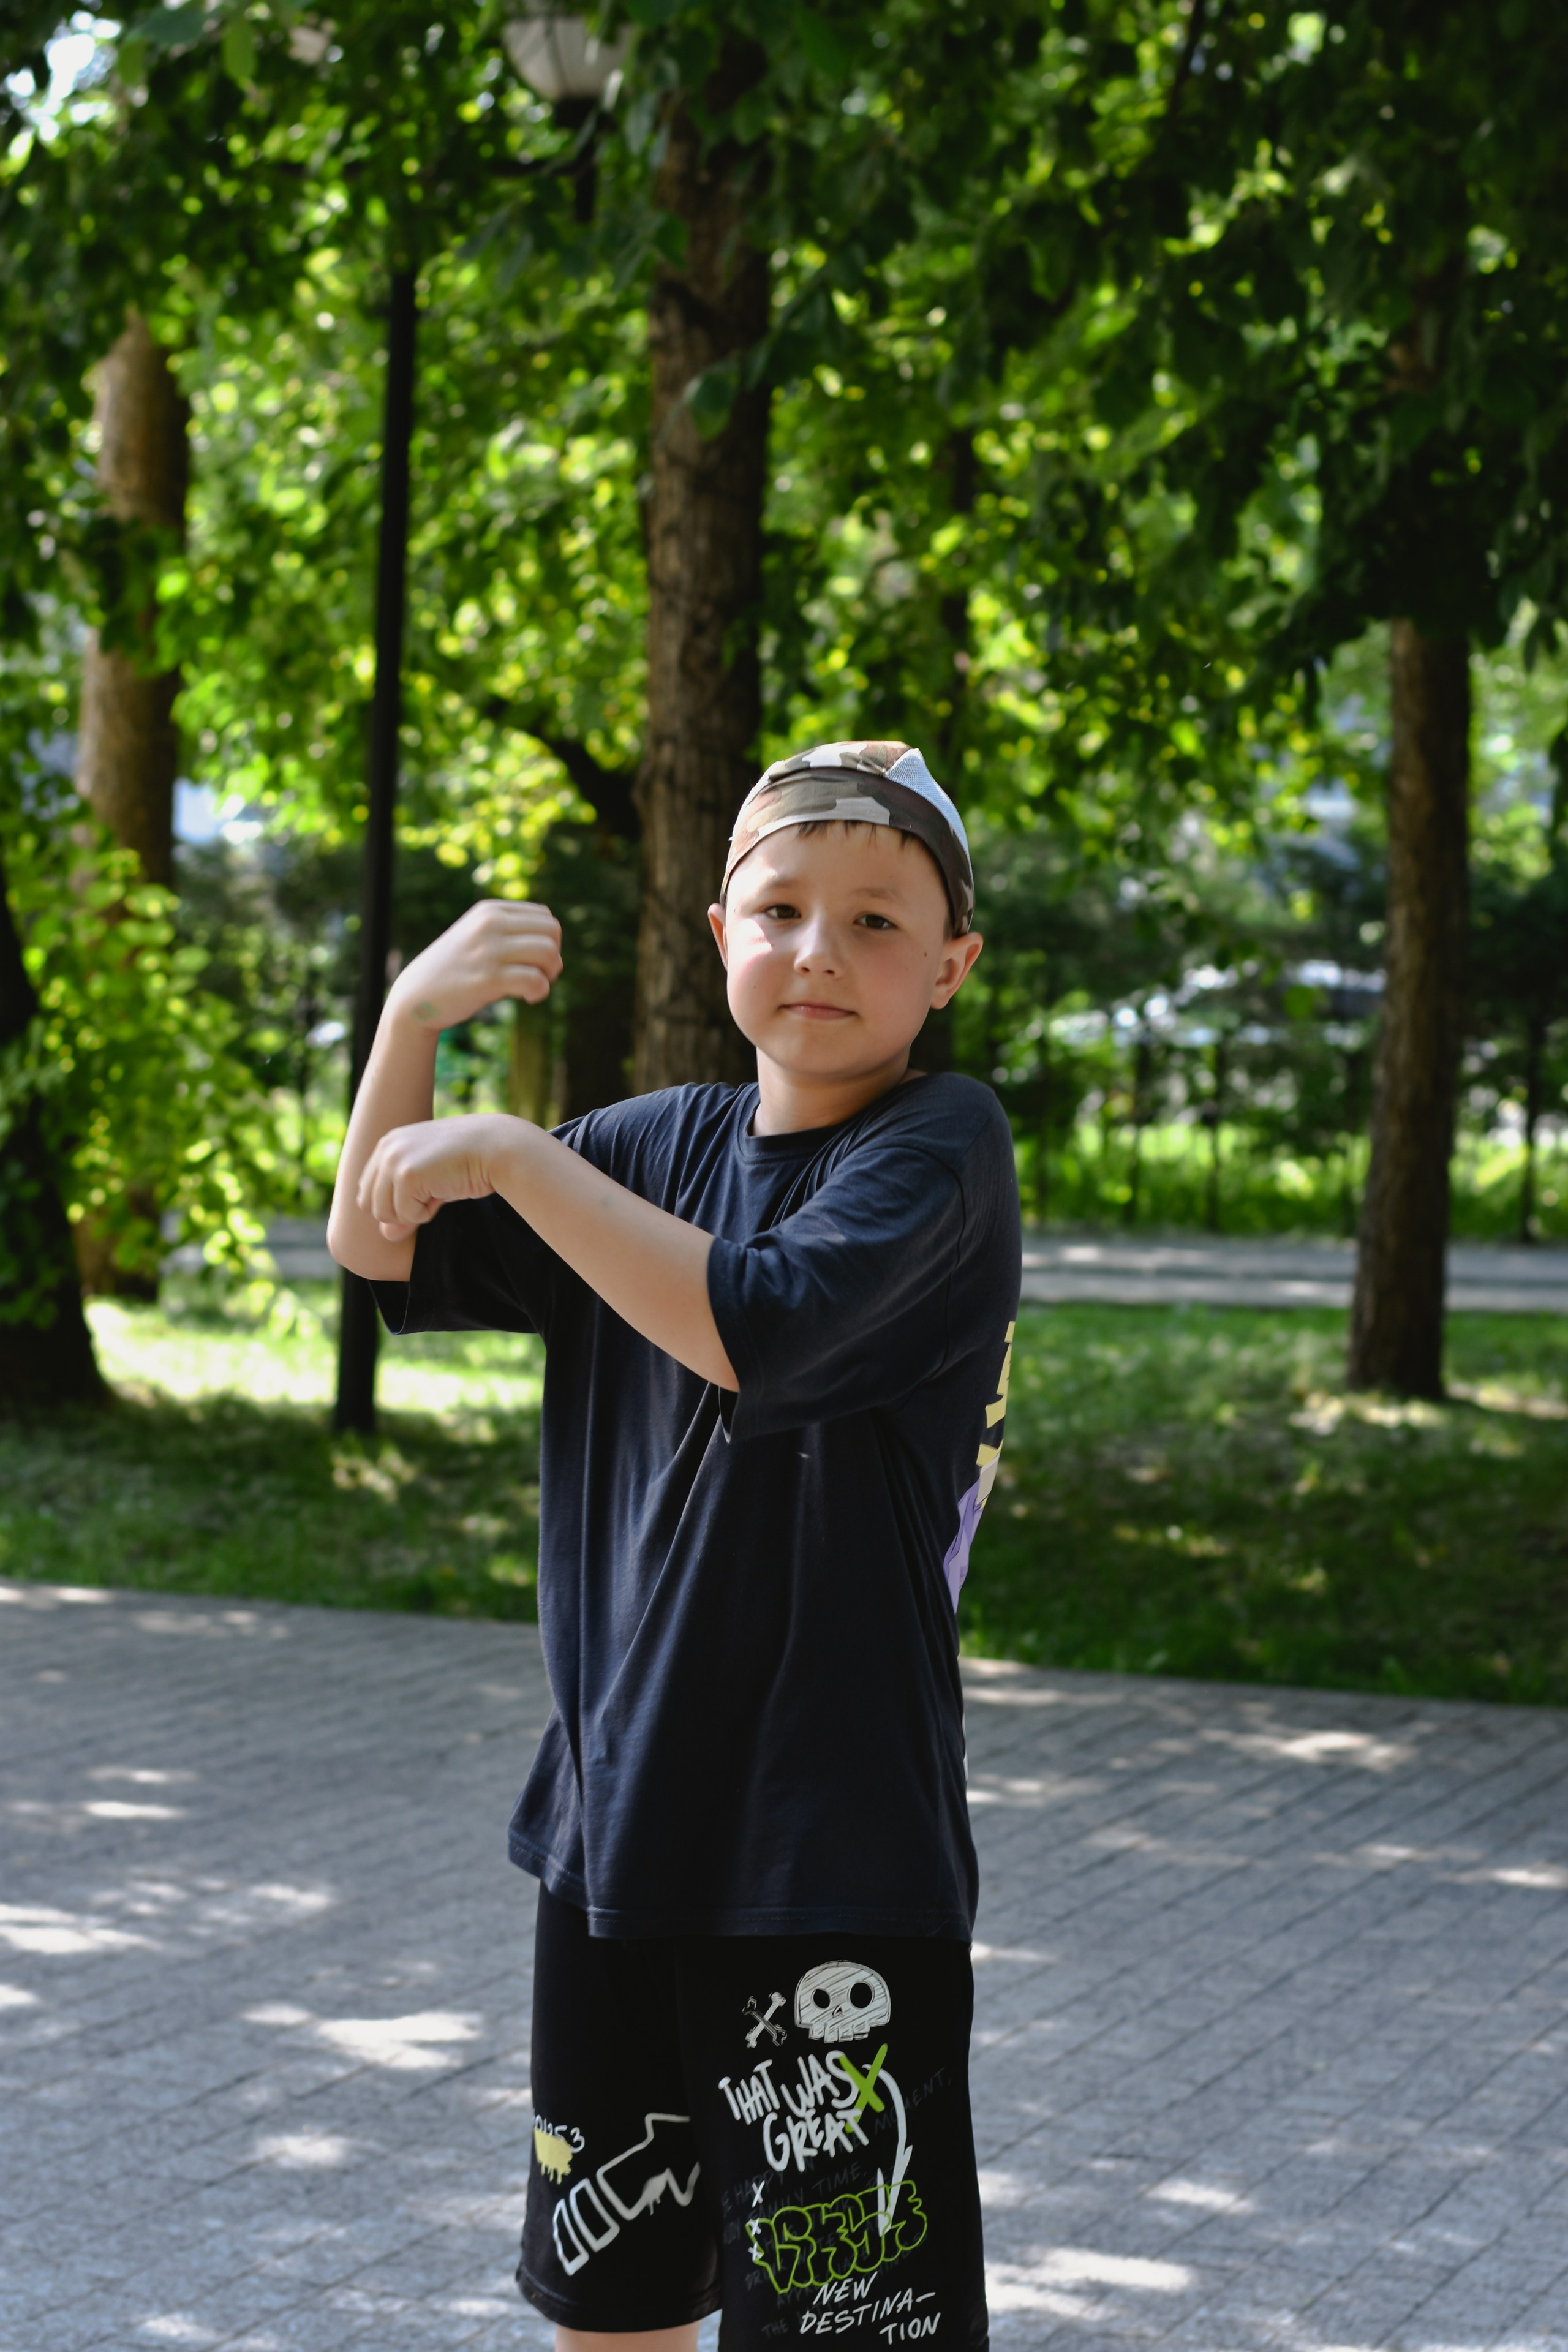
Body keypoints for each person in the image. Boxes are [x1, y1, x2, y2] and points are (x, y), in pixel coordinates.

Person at [329, 738, 1022, 2352]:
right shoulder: (648, 1148)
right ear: (719, 934)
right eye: (780, 910)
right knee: (612, 2309)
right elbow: (380, 1250)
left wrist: (510, 1153)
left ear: (952, 967)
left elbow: (754, 1328)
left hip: (830, 1863)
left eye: (874, 923)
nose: (818, 953)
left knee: (849, 2330)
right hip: (618, 1841)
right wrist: (412, 1021)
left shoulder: (943, 1151)